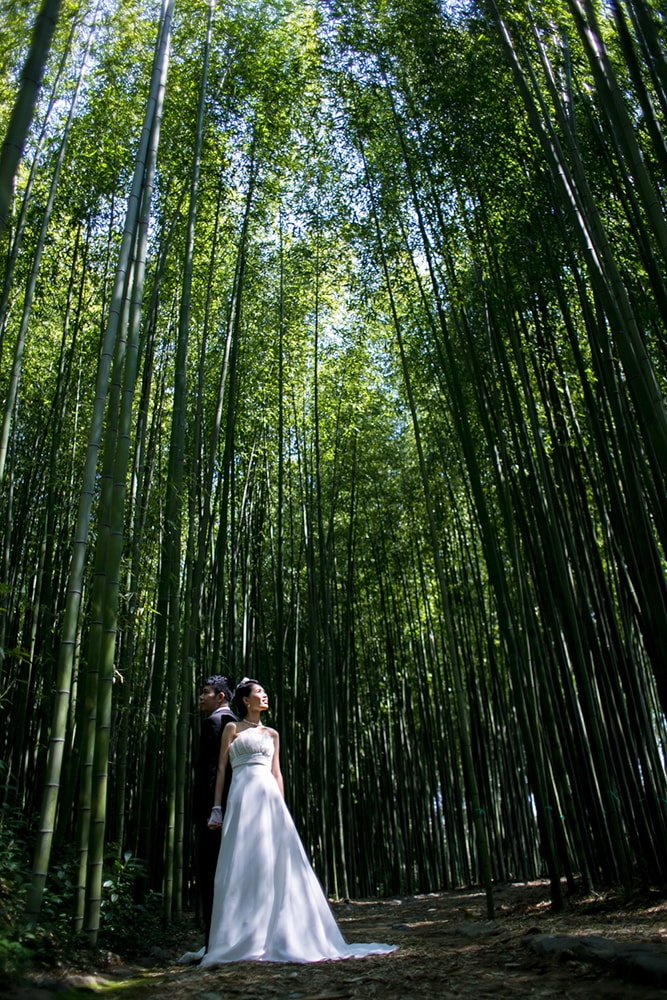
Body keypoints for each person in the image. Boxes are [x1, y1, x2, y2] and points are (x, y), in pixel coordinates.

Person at [201, 678, 396, 965]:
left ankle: (277, 930)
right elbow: (221, 769)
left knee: (274, 862)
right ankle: (241, 932)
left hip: (268, 798)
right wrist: (216, 807)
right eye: (259, 693)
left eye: (265, 692)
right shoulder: (232, 728)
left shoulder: (272, 734)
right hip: (241, 797)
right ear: (245, 700)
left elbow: (277, 773)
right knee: (242, 861)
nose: (265, 696)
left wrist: (281, 806)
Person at [179, 674, 236, 964]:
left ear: (220, 697)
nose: (201, 698)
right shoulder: (235, 723)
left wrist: (210, 808)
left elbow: (212, 771)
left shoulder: (214, 723)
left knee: (212, 871)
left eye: (205, 692)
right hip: (236, 807)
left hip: (212, 809)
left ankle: (215, 941)